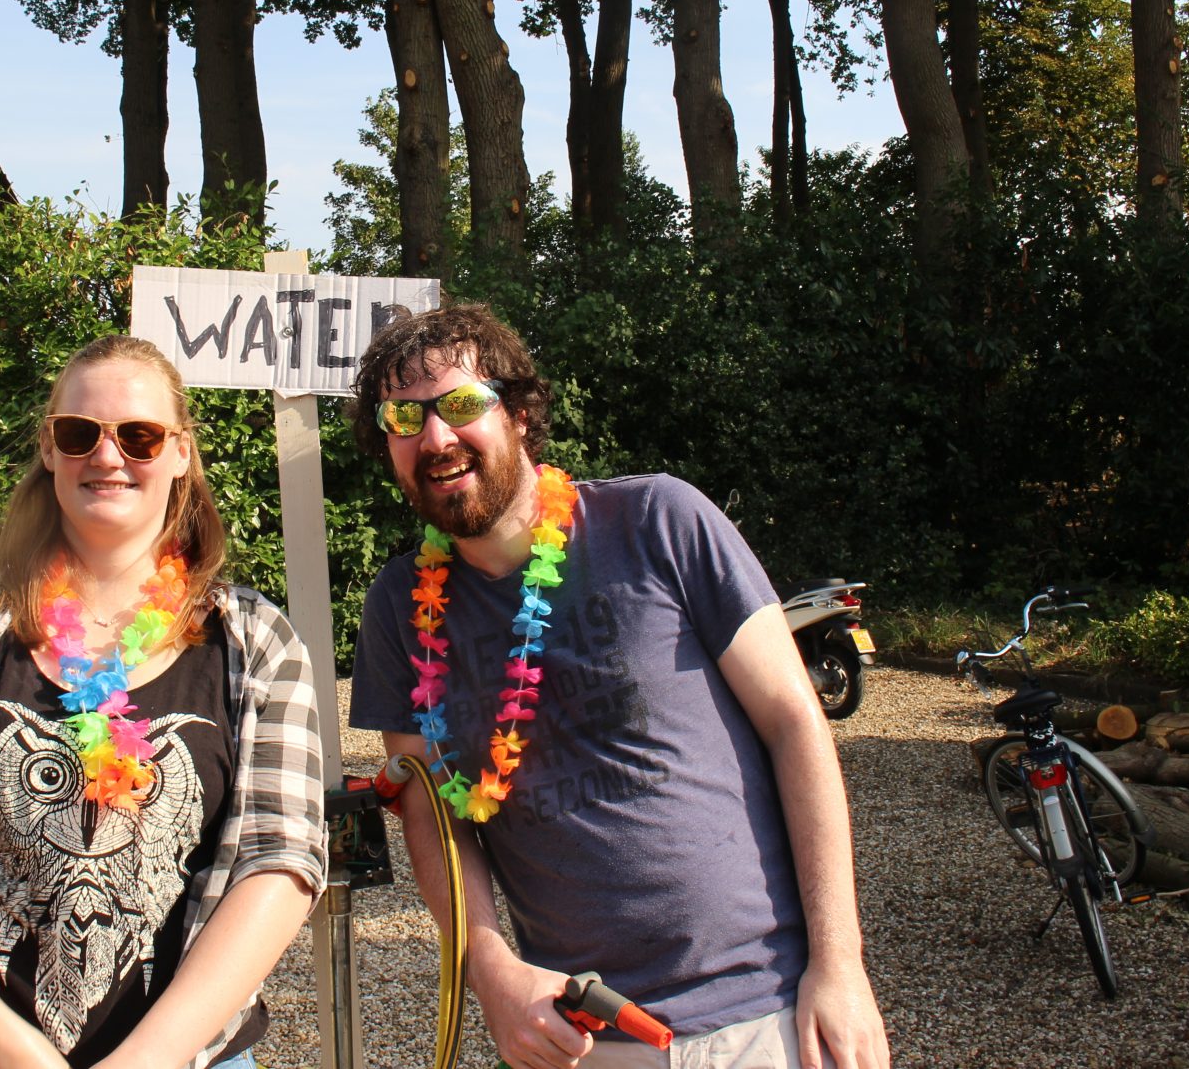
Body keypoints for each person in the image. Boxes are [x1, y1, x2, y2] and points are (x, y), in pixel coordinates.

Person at [348, 306, 890, 1069]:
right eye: (404, 418)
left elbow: (795, 723)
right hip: (584, 1034)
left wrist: (839, 964)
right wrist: (492, 971)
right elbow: (431, 816)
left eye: (462, 404)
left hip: (770, 1012)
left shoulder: (659, 520)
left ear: (520, 415)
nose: (435, 437)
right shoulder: (397, 608)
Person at [0, 335, 326, 1069]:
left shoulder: (255, 640)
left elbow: (279, 861)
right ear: (49, 449)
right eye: (80, 432)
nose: (108, 456)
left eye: (140, 436)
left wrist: (150, 1058)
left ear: (181, 453)